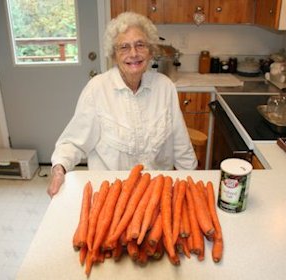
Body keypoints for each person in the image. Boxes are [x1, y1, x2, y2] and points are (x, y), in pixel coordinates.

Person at [47, 11, 197, 197]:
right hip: (111, 195)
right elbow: (74, 143)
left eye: (140, 45)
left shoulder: (165, 87)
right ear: (113, 55)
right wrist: (59, 169)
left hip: (156, 193)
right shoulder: (97, 89)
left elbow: (181, 145)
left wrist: (191, 185)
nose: (133, 53)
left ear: (150, 51)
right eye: (124, 47)